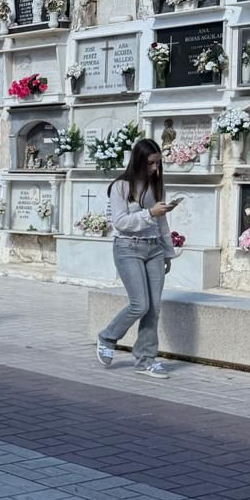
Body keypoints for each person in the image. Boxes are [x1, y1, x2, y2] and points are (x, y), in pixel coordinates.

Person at [97, 137, 179, 378]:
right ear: (139, 161)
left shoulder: (156, 185)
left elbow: (162, 223)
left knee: (154, 308)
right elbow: (120, 222)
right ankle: (108, 337)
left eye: (158, 163)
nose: (155, 168)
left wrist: (167, 252)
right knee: (140, 304)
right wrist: (149, 213)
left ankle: (145, 360)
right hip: (127, 248)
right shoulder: (121, 187)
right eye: (151, 163)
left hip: (154, 249)